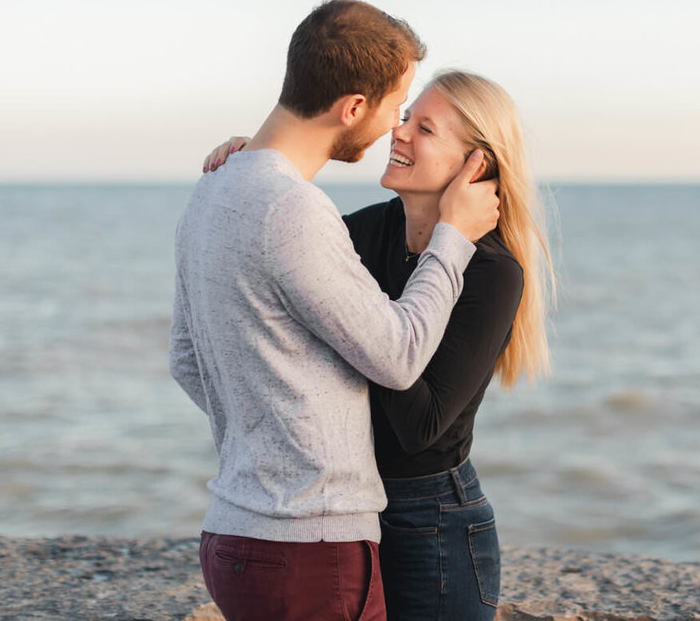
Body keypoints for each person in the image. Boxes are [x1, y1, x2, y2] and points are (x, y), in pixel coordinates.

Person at [170, 0, 500, 621]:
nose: (391, 130)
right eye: (392, 109)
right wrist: (453, 236)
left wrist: (265, 432)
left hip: (232, 536)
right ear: (352, 107)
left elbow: (188, 360)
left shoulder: (214, 188)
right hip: (309, 548)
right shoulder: (292, 209)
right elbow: (400, 358)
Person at [203, 69, 554, 620]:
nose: (400, 131)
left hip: (431, 521)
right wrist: (256, 172)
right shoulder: (360, 232)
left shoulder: (491, 271)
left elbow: (419, 428)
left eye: (426, 129)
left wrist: (366, 331)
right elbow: (278, 260)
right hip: (341, 513)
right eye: (406, 116)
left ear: (476, 165)